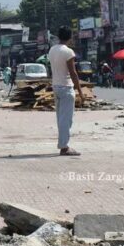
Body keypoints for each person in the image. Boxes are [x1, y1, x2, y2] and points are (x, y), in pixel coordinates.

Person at [48, 26, 84, 156]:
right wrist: (79, 90)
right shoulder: (68, 52)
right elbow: (73, 73)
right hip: (66, 87)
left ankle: (63, 144)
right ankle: (64, 147)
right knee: (66, 119)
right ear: (69, 37)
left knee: (60, 118)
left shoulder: (52, 50)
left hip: (56, 86)